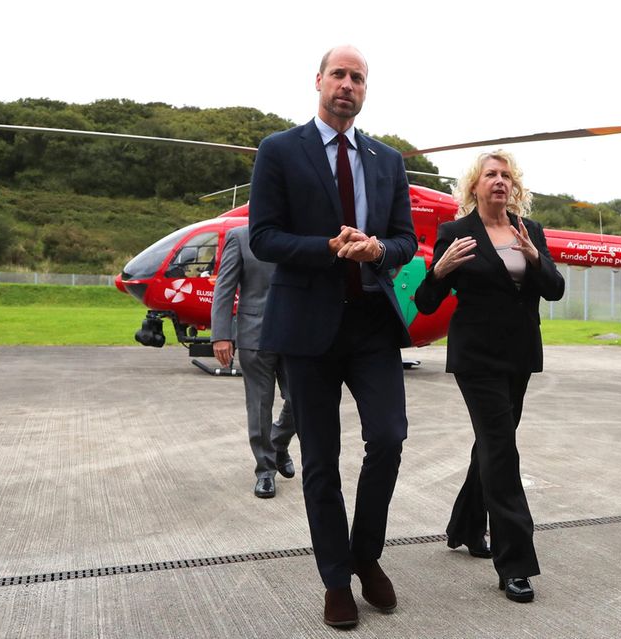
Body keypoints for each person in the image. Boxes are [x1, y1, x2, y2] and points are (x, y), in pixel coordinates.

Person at [248, 45, 417, 629]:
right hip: (307, 327)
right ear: (318, 81)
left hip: (371, 322)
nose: (348, 84)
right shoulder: (278, 151)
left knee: (390, 439)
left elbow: (406, 242)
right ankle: (336, 579)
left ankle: (365, 553)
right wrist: (326, 247)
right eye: (339, 75)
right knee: (321, 460)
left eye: (359, 78)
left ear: (365, 90)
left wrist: (377, 249)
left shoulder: (386, 160)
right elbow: (264, 238)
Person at [414, 150, 564, 603]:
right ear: (474, 187)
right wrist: (439, 269)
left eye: (505, 175)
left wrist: (536, 258)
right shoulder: (455, 233)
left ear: (513, 185)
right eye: (489, 175)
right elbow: (424, 301)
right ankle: (515, 561)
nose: (498, 181)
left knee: (491, 444)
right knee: (502, 449)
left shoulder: (528, 230)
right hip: (477, 359)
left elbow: (554, 290)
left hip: (518, 356)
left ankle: (463, 525)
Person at [210, 224, 296, 498]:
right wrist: (221, 335)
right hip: (253, 333)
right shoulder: (240, 236)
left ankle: (278, 442)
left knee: (301, 400)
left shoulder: (299, 231)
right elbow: (224, 287)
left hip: (295, 334)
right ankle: (265, 471)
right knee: (259, 406)